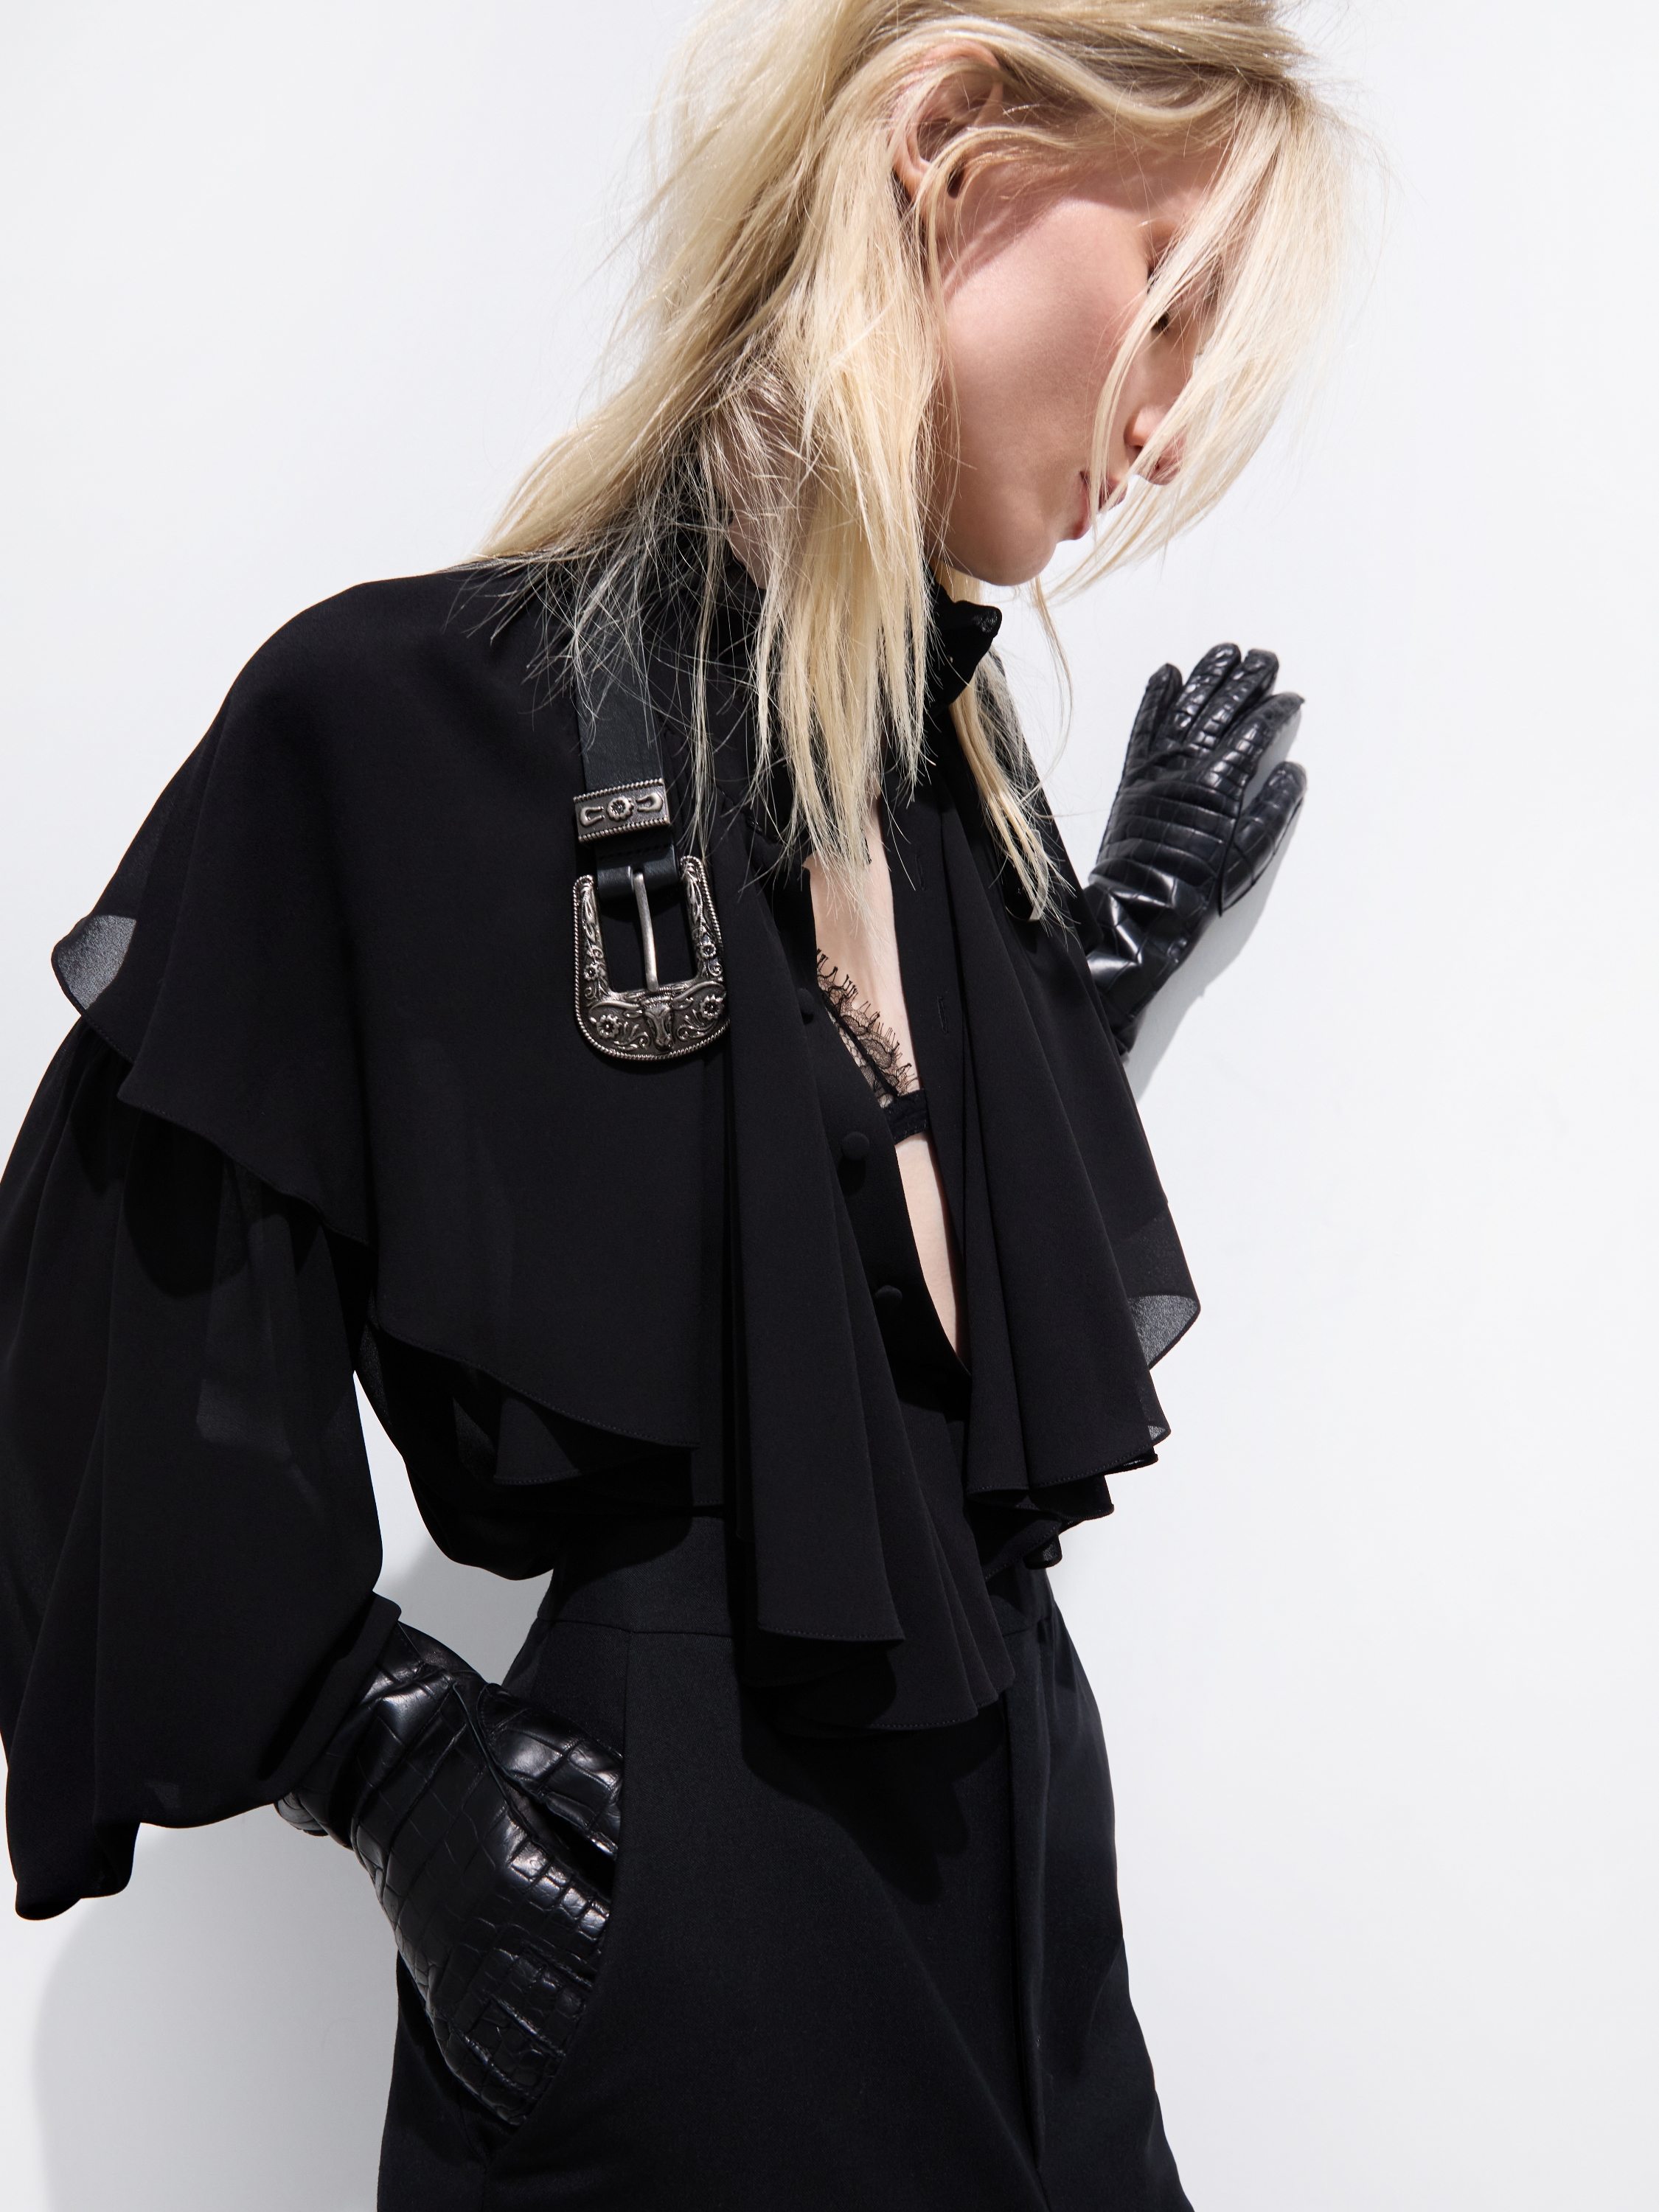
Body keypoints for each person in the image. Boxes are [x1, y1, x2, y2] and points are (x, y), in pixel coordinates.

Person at [0, 4, 1349, 2206]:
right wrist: (386, 1754)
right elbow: (105, 1321)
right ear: (949, 141)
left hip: (1028, 1893)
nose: (1172, 421)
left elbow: (832, 1268)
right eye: (1171, 298)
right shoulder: (403, 718)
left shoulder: (935, 783)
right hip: (683, 1935)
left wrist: (1100, 938)